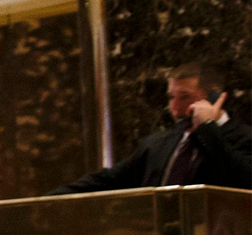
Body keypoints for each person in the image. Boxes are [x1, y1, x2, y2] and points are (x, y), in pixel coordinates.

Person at [62, 62, 252, 192]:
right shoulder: (159, 144)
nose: (174, 108)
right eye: (171, 97)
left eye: (185, 96)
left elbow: (244, 179)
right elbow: (108, 180)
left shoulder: (245, 138)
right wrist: (47, 200)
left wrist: (208, 128)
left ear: (214, 96)